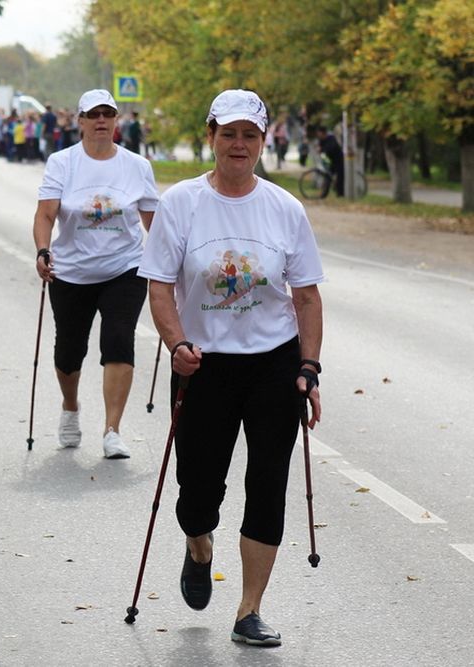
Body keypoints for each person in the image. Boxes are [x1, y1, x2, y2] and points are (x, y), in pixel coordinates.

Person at [137, 89, 324, 647]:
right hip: (202, 364)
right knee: (197, 492)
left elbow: (308, 297)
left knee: (267, 482)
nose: (238, 144)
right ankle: (199, 547)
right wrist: (176, 344)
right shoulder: (182, 203)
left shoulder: (285, 208)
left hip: (273, 362)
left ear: (263, 142)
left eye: (249, 134)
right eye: (228, 133)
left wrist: (309, 366)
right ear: (211, 136)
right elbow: (160, 285)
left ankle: (249, 610)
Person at [32, 89, 160, 460]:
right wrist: (43, 250)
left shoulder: (137, 166)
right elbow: (45, 215)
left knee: (119, 340)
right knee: (69, 351)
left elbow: (154, 221)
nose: (101, 120)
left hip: (125, 268)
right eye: (94, 114)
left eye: (108, 113)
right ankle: (70, 407)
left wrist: (172, 262)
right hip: (71, 271)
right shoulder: (62, 162)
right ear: (81, 121)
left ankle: (112, 430)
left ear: (117, 120)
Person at [316, 125, 344, 196]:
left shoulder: (331, 138)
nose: (318, 135)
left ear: (323, 133)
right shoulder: (321, 140)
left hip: (338, 160)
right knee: (328, 176)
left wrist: (322, 150)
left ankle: (340, 193)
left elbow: (330, 148)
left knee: (340, 177)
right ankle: (324, 193)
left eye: (319, 133)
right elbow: (320, 147)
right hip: (331, 161)